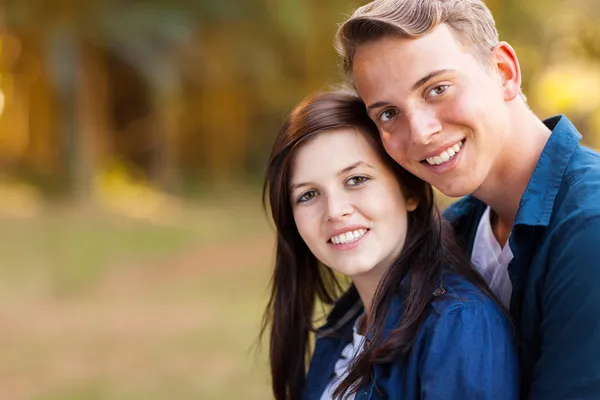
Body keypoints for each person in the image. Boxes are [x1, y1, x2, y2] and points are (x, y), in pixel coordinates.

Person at [334, 0, 600, 398]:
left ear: (504, 72)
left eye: (437, 89)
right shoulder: (456, 230)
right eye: (388, 113)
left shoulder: (589, 230)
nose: (421, 132)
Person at [261, 89, 517, 399]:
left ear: (409, 191)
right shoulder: (341, 327)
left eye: (356, 179)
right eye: (308, 195)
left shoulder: (457, 326)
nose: (334, 211)